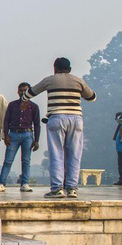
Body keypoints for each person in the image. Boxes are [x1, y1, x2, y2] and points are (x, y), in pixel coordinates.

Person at [25, 57, 96, 198]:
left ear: (55, 68)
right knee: (75, 155)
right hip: (76, 119)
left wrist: (23, 99)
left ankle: (57, 188)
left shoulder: (49, 80)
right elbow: (92, 97)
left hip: (56, 118)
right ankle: (72, 188)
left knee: (57, 154)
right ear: (69, 69)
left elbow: (29, 93)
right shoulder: (78, 81)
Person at [0, 83, 40, 192]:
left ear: (29, 92)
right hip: (13, 134)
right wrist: (6, 135)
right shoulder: (12, 105)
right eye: (21, 90)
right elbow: (6, 120)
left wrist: (36, 140)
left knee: (26, 161)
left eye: (25, 91)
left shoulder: (33, 106)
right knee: (8, 160)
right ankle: (1, 183)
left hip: (27, 135)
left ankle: (25, 183)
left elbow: (37, 123)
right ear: (17, 92)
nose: (23, 93)